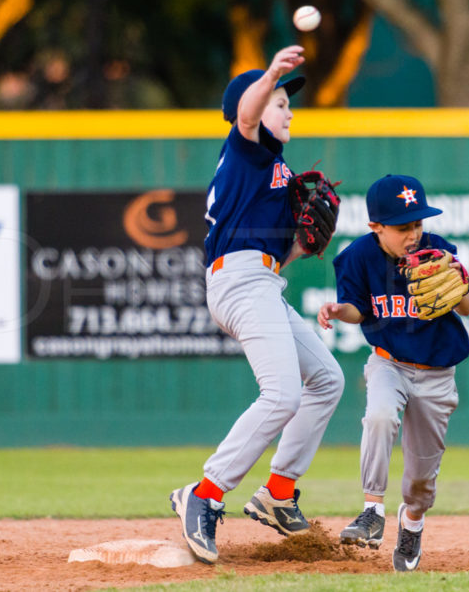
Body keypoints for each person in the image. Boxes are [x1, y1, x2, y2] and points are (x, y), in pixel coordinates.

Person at [169, 46, 345, 565]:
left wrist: (302, 246)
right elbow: (246, 114)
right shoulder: (246, 148)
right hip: (239, 282)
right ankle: (203, 496)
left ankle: (279, 491)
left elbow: (274, 257)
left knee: (327, 379)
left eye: (290, 102)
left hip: (261, 280)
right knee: (282, 394)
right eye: (280, 101)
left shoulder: (274, 171)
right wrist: (270, 74)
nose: (288, 110)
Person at [317, 174, 469, 572]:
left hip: (438, 373)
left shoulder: (438, 250)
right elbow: (357, 309)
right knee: (380, 416)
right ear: (376, 227)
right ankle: (371, 510)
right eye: (404, 227)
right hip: (390, 363)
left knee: (422, 479)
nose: (414, 234)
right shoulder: (358, 257)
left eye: (418, 224)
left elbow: (467, 308)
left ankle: (413, 521)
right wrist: (338, 310)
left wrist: (459, 285)